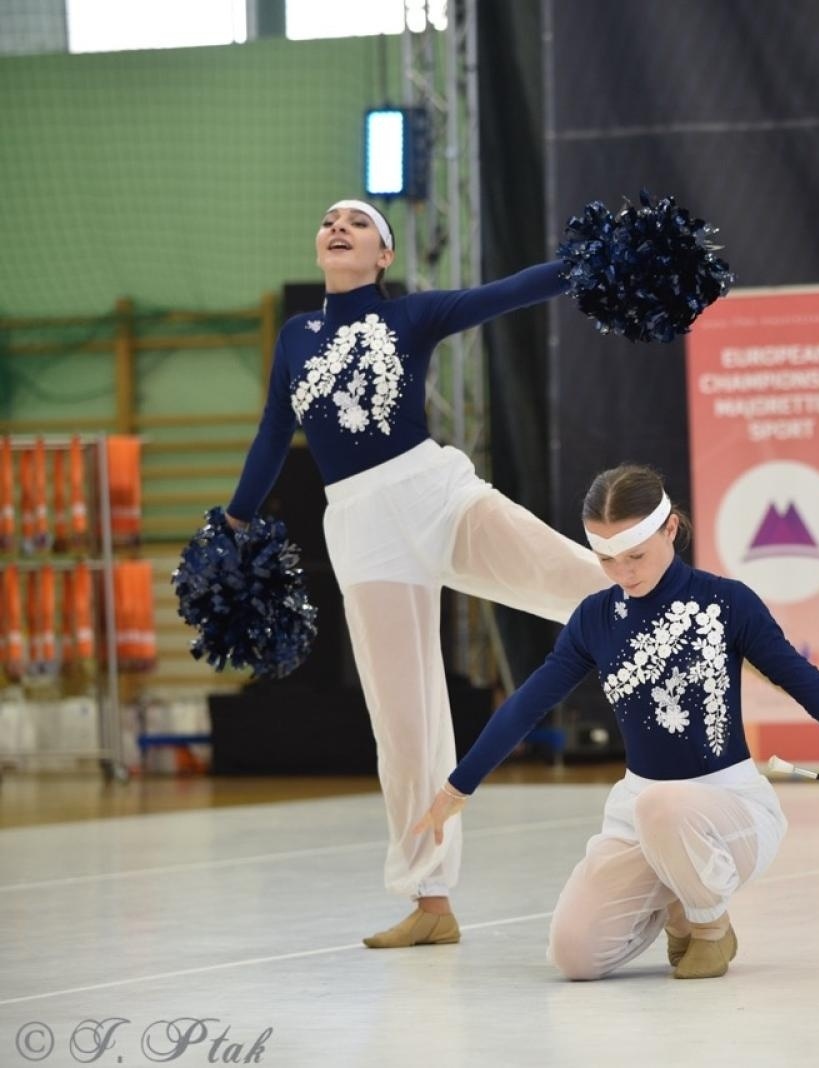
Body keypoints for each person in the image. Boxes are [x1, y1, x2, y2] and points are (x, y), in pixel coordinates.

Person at [226, 199, 609, 948]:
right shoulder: (295, 339)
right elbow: (274, 434)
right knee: (403, 725)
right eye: (329, 219)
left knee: (579, 579)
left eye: (358, 223)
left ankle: (722, 639)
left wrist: (590, 262)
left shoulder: (415, 317)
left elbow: (511, 291)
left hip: (433, 494)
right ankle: (431, 903)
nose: (338, 225)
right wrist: (233, 528)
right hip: (362, 529)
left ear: (383, 258)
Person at [412, 464, 819, 979]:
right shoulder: (594, 619)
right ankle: (675, 896)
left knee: (665, 806)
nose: (622, 573)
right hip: (641, 810)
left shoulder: (727, 603)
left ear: (670, 528)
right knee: (574, 956)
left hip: (729, 809)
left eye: (635, 554)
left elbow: (811, 688)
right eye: (605, 559)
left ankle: (709, 923)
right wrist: (457, 787)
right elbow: (528, 704)